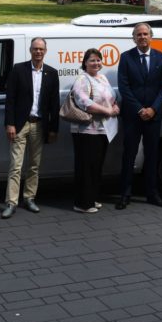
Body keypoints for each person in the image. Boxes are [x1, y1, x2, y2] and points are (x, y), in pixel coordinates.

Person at [2, 37, 60, 219]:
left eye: (41, 49)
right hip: (20, 124)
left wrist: (53, 129)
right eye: (35, 49)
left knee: (34, 166)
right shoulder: (19, 70)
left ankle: (29, 198)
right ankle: (11, 202)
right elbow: (10, 99)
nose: (38, 52)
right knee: (16, 166)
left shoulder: (51, 73)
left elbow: (54, 103)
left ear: (45, 51)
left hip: (40, 125)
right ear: (30, 50)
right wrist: (9, 123)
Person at [117, 23, 162, 209]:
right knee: (129, 155)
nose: (142, 37)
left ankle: (152, 194)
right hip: (133, 116)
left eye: (145, 34)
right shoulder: (126, 58)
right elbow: (124, 87)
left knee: (152, 155)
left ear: (151, 36)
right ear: (134, 38)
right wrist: (140, 109)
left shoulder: (161, 57)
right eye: (138, 35)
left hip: (153, 117)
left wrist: (153, 109)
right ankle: (125, 194)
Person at [70, 48, 120, 213]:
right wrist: (108, 111)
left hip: (102, 129)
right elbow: (85, 102)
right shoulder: (82, 79)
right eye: (92, 60)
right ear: (85, 62)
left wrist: (115, 106)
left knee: (96, 166)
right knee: (86, 167)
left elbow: (111, 97)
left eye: (98, 60)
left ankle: (92, 198)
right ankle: (82, 203)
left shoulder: (103, 78)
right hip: (86, 131)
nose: (96, 63)